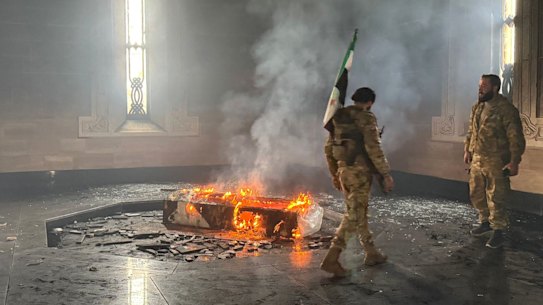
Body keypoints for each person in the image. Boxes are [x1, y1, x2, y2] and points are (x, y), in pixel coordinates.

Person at [320, 87, 394, 277]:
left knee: (359, 212)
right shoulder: (366, 118)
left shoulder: (338, 118)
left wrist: (335, 174)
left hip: (344, 171)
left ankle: (371, 252)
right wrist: (385, 174)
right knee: (354, 215)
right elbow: (373, 147)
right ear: (369, 102)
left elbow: (328, 148)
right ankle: (332, 258)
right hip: (360, 172)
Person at [464, 74, 526, 249]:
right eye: (479, 85)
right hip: (477, 158)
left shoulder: (506, 109)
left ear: (495, 88)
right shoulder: (477, 107)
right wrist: (467, 150)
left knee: (496, 195)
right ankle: (485, 222)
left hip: (496, 160)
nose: (480, 89)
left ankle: (498, 230)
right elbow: (471, 130)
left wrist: (514, 161)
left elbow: (515, 138)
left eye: (484, 86)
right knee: (476, 192)